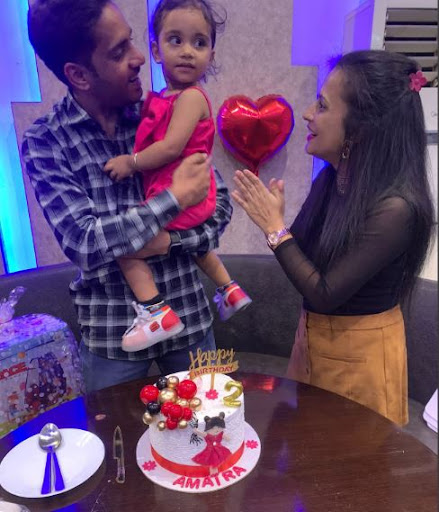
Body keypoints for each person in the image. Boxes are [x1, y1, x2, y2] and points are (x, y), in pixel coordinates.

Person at [22, 0, 233, 392]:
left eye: (132, 42)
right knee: (110, 428)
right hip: (111, 332)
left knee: (207, 424)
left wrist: (168, 242)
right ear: (78, 74)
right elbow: (85, 243)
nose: (139, 57)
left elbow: (218, 206)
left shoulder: (162, 112)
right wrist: (173, 200)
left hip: (187, 313)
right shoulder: (46, 141)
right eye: (119, 52)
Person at [232, 50, 434, 426]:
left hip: (361, 359)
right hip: (313, 343)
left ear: (359, 129)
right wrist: (278, 223)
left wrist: (274, 227)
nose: (308, 113)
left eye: (322, 105)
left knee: (350, 455)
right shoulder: (332, 178)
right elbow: (302, 257)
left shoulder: (396, 209)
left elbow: (324, 292)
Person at [103, 0, 251, 353]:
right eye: (176, 40)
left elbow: (170, 148)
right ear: (156, 50)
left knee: (126, 248)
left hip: (183, 194)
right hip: (188, 194)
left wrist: (131, 162)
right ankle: (229, 289)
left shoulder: (191, 98)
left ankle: (156, 312)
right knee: (196, 247)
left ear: (211, 55)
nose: (187, 51)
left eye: (199, 43)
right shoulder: (166, 98)